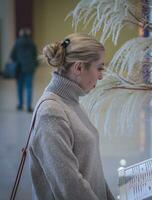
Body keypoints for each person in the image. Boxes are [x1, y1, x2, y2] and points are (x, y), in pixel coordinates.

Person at [29, 33, 115, 200]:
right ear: (78, 68)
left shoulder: (70, 101)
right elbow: (71, 188)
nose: (101, 76)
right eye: (99, 68)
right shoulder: (50, 113)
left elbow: (91, 170)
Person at [11, 28, 38, 112]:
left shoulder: (17, 42)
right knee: (28, 87)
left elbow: (12, 55)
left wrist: (17, 61)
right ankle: (29, 107)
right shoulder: (32, 43)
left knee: (19, 87)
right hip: (30, 68)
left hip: (19, 68)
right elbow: (35, 55)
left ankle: (20, 105)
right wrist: (34, 65)